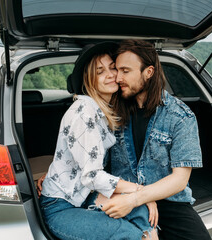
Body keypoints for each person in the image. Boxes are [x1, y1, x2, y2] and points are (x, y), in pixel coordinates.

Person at [38, 42, 158, 240]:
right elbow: (92, 176)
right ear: (89, 79)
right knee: (128, 234)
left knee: (142, 211)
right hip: (60, 206)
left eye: (113, 68)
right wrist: (143, 191)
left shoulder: (105, 109)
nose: (111, 74)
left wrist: (143, 198)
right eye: (101, 71)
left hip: (85, 194)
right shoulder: (84, 112)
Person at [94, 39, 211, 240]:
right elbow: (91, 159)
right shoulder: (111, 111)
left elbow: (180, 180)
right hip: (120, 196)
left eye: (125, 71)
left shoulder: (181, 116)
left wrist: (136, 198)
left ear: (148, 73)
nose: (117, 77)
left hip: (168, 201)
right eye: (117, 70)